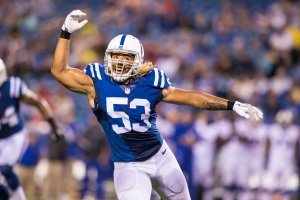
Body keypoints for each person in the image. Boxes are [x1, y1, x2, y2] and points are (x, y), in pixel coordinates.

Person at [51, 10, 263, 200]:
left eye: (126, 58)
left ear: (138, 60)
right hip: (128, 165)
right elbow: (59, 71)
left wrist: (231, 105)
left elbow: (190, 98)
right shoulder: (96, 81)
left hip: (161, 157)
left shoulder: (151, 80)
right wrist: (66, 32)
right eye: (115, 57)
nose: (119, 63)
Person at [0, 58, 62, 200]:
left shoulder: (13, 86)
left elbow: (38, 102)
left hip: (13, 136)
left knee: (5, 169)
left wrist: (53, 125)